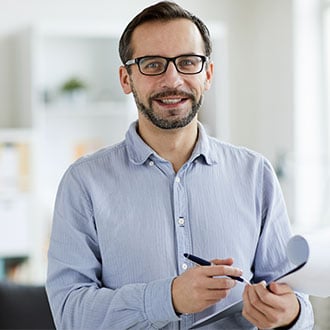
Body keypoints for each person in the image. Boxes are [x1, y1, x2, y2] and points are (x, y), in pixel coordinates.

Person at [46, 1, 314, 329]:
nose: (172, 80)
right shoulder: (83, 182)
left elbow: (295, 298)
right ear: (126, 78)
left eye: (187, 62)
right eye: (152, 64)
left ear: (208, 74)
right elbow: (69, 314)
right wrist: (169, 298)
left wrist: (291, 316)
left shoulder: (255, 174)